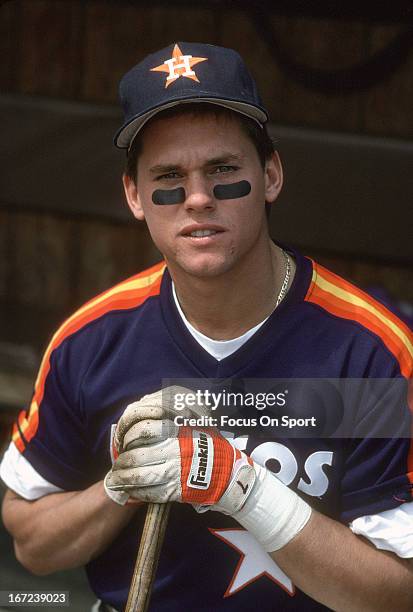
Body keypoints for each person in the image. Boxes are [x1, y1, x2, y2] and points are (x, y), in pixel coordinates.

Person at [1, 41, 412, 612]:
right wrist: (120, 487)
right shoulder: (91, 339)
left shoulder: (372, 352)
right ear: (135, 196)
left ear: (270, 175)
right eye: (168, 177)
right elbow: (30, 543)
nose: (197, 198)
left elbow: (397, 594)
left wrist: (241, 487)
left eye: (223, 171)